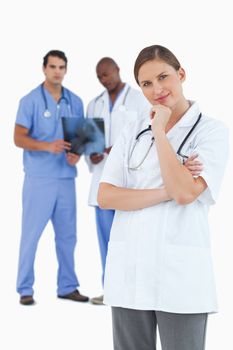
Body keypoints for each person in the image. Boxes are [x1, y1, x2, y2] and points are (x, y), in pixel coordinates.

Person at [98, 45, 229, 350]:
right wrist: (166, 190)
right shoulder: (132, 131)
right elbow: (106, 196)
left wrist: (159, 129)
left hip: (180, 279)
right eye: (146, 83)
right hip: (130, 274)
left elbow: (185, 194)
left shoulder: (212, 132)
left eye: (163, 77)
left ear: (181, 74)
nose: (156, 89)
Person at [14, 50, 89, 305]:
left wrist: (76, 155)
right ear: (44, 69)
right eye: (53, 66)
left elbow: (79, 138)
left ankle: (67, 285)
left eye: (62, 67)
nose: (57, 71)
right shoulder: (30, 101)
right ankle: (25, 288)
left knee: (68, 236)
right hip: (39, 178)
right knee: (31, 234)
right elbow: (18, 138)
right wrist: (48, 146)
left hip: (66, 178)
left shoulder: (75, 101)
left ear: (66, 70)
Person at [86, 57, 151, 305]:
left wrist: (120, 149)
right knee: (107, 242)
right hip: (101, 181)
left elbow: (149, 135)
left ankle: (137, 290)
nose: (105, 79)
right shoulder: (94, 104)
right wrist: (91, 154)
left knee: (134, 239)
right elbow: (88, 138)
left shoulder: (138, 99)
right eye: (100, 76)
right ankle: (110, 290)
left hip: (131, 183)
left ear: (117, 70)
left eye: (108, 74)